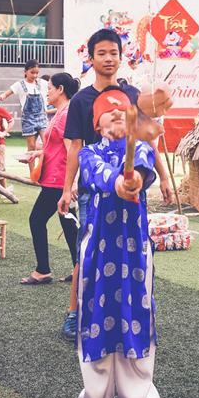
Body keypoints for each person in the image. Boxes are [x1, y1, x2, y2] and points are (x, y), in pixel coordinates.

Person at [58, 28, 175, 339]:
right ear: (91, 58)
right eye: (102, 53)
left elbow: (147, 140)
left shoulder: (132, 96)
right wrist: (67, 187)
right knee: (87, 253)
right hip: (94, 192)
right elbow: (75, 146)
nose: (108, 59)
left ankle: (135, 314)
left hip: (131, 188)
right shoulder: (82, 100)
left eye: (113, 53)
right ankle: (75, 313)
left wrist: (162, 176)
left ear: (121, 58)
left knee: (135, 250)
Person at [75, 88, 161, 398]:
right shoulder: (88, 153)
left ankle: (136, 395)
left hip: (133, 248)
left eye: (121, 111)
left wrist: (133, 181)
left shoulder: (139, 147)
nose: (115, 115)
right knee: (96, 313)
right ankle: (95, 392)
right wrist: (119, 183)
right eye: (108, 112)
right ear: (96, 124)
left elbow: (139, 172)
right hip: (98, 246)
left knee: (134, 312)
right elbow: (98, 176)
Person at [20, 73, 79, 285]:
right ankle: (78, 268)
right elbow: (56, 147)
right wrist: (37, 154)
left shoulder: (65, 115)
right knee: (69, 225)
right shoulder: (60, 112)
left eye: (51, 88)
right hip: (57, 177)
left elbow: (72, 149)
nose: (48, 91)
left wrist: (71, 184)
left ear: (61, 89)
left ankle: (43, 269)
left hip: (59, 180)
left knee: (37, 220)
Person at [0, 60, 47, 151]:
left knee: (46, 143)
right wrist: (3, 96)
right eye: (32, 72)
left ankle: (43, 165)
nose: (35, 75)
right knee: (31, 146)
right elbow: (8, 92)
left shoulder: (42, 83)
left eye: (37, 73)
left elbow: (53, 88)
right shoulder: (20, 84)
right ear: (25, 72)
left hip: (42, 116)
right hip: (28, 118)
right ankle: (32, 165)